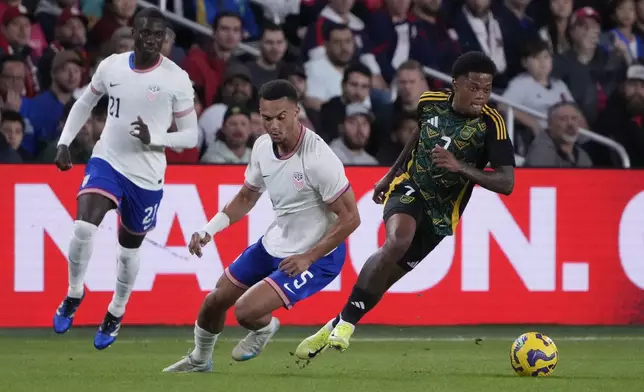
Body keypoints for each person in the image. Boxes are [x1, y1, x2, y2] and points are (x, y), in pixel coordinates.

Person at [295, 51, 516, 359]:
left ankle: (336, 324)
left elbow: (507, 183)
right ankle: (345, 324)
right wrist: (391, 175)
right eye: (474, 87)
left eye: (487, 89)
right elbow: (419, 133)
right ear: (455, 85)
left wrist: (460, 167)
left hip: (442, 213)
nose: (481, 95)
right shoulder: (429, 102)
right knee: (398, 240)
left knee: (385, 278)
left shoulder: (493, 124)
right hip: (411, 186)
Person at [162, 80, 360, 373]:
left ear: (296, 112)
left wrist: (309, 257)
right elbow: (246, 197)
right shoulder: (262, 147)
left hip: (318, 256)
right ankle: (199, 361)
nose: (274, 125)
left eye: (281, 117)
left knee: (246, 312)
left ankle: (264, 329)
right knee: (215, 301)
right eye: (267, 118)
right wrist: (208, 231)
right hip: (277, 242)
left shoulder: (318, 158)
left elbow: (351, 218)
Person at [51, 8, 198, 350]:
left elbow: (191, 136)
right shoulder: (112, 66)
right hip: (108, 159)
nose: (150, 40)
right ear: (133, 32)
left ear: (164, 40)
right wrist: (64, 142)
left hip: (146, 175)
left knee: (128, 250)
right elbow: (86, 102)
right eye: (144, 33)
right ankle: (74, 293)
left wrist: (156, 138)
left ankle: (116, 311)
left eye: (157, 36)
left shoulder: (176, 78)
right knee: (83, 227)